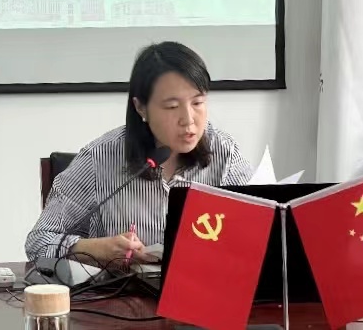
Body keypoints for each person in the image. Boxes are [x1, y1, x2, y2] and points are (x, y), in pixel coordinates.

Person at [24, 41, 253, 264]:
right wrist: (94, 249)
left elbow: (258, 235)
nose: (188, 119)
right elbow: (39, 242)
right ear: (141, 107)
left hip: (201, 286)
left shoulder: (225, 154)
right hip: (124, 288)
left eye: (198, 103)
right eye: (172, 107)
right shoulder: (99, 159)